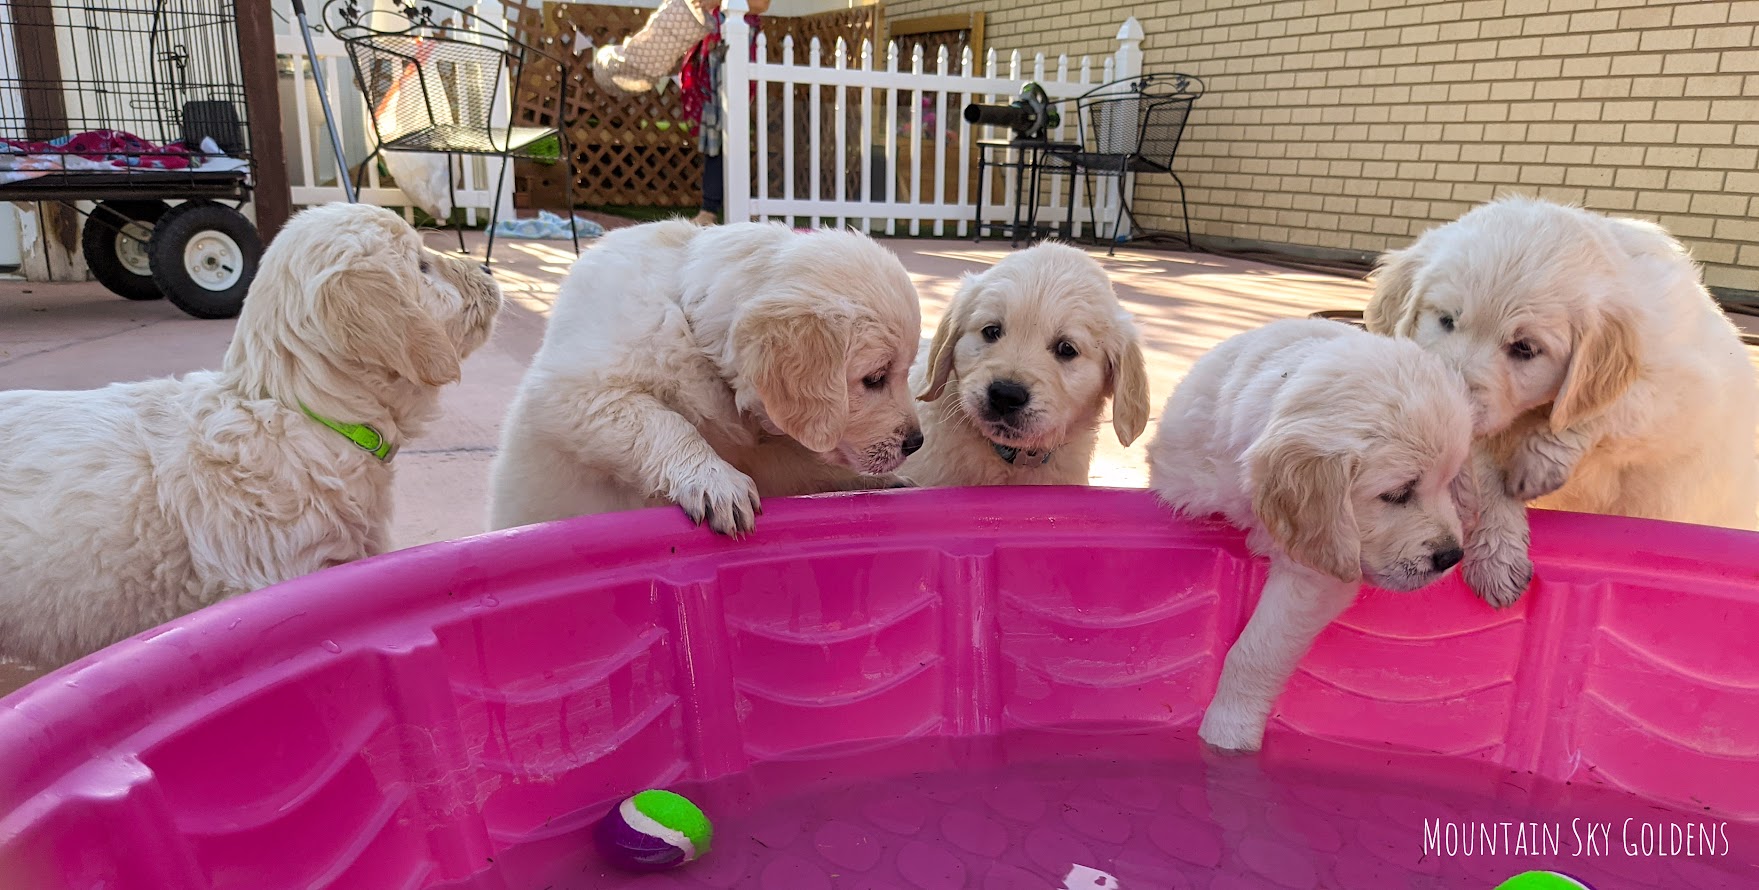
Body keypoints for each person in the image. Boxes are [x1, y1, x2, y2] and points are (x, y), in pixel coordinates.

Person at [593, 0, 768, 225]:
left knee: (734, 130)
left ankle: (736, 207)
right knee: (713, 131)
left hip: (737, 50)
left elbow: (762, 4)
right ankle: (710, 209)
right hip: (709, 51)